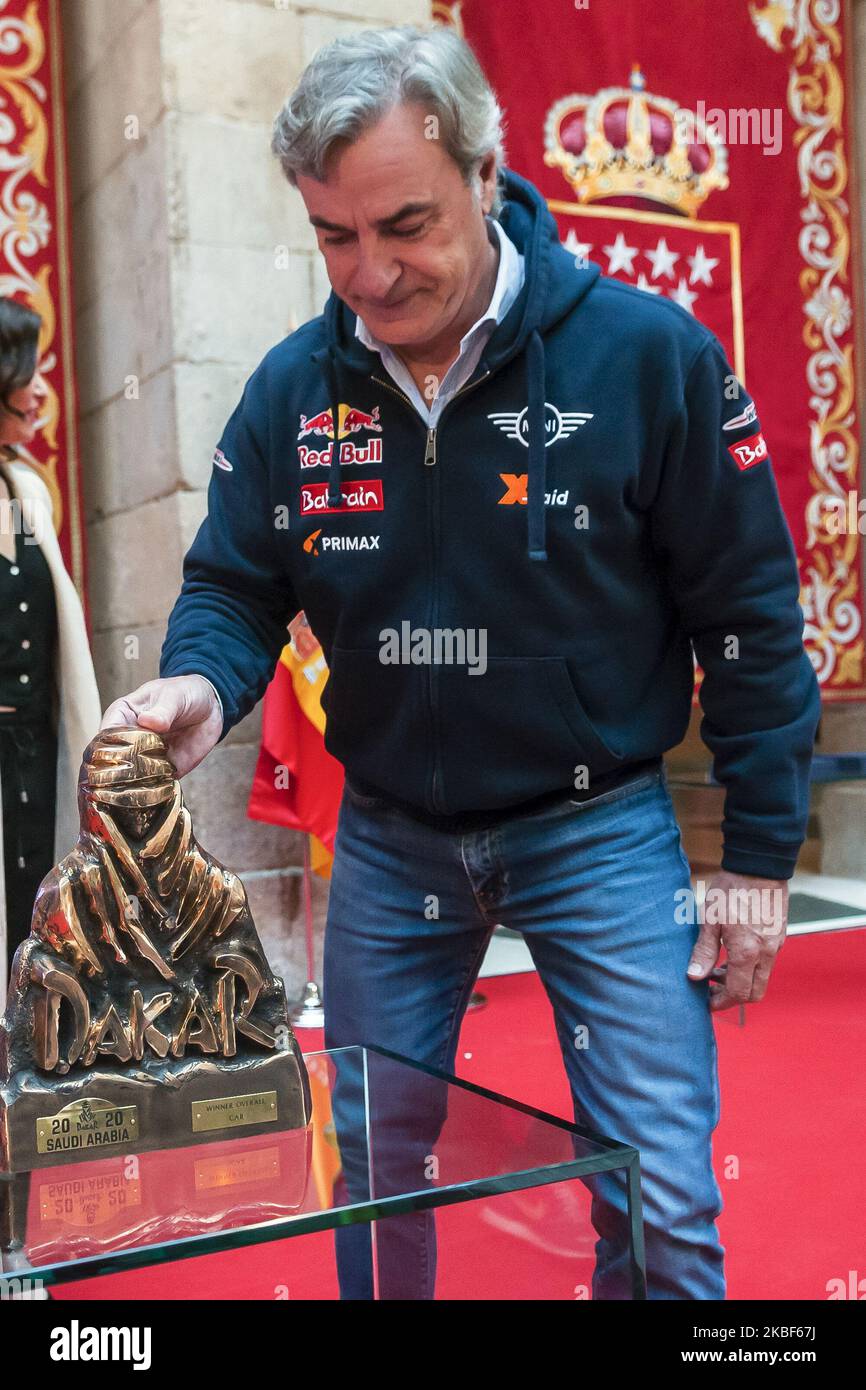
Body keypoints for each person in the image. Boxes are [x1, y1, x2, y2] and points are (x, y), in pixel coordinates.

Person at [103, 25, 821, 1299]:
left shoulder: (645, 358)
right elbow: (234, 581)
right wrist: (204, 683)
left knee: (656, 1181)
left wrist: (760, 859)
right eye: (334, 236)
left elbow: (749, 612)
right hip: (388, 837)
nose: (370, 276)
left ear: (487, 173)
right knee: (375, 1162)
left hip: (596, 826)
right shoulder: (293, 396)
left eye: (406, 225)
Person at [0, 296, 101, 1010]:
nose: (43, 391)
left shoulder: (25, 487)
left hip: (34, 753)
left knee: (26, 908)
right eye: (26, 372)